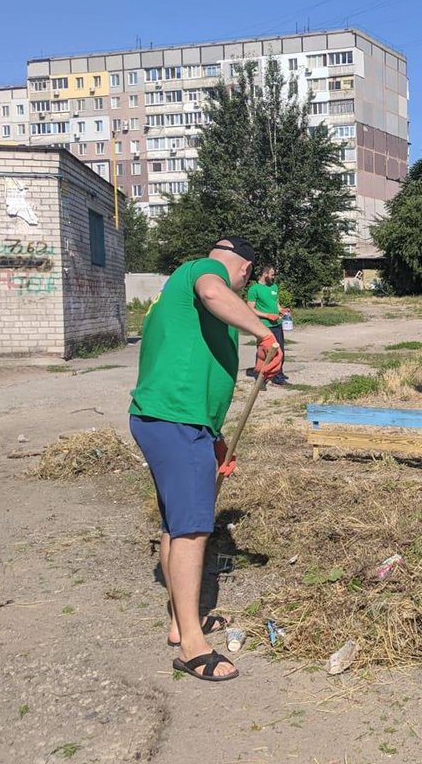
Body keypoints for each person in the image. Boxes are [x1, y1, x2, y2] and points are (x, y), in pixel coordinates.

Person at [128, 237, 283, 681]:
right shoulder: (202, 273)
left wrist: (213, 441)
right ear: (245, 270)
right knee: (194, 528)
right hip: (175, 420)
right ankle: (193, 645)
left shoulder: (183, 290)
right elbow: (217, 293)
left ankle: (181, 623)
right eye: (244, 278)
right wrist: (265, 333)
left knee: (176, 524)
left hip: (178, 422)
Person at [246, 264, 289, 385]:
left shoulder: (274, 286)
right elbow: (250, 308)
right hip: (264, 325)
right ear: (265, 274)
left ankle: (277, 375)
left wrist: (281, 310)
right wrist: (267, 315)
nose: (273, 277)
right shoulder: (254, 289)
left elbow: (276, 303)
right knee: (263, 351)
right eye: (272, 274)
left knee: (280, 350)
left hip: (277, 324)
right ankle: (260, 378)